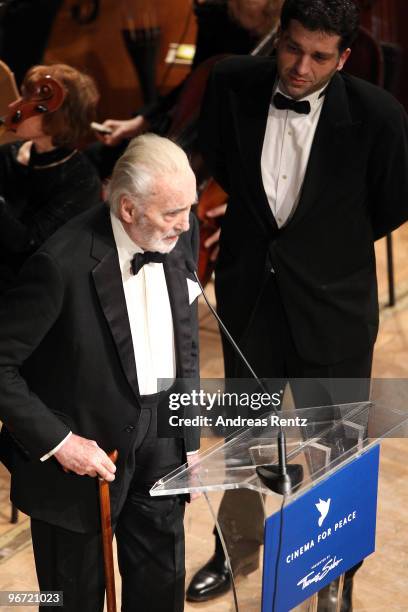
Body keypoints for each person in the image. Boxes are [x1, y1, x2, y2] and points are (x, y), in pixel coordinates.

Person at [188, 0, 408, 609]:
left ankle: (334, 573)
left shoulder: (379, 116)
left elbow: (390, 206)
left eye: (318, 56)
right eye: (292, 48)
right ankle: (238, 546)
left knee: (334, 443)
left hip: (333, 306)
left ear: (342, 57)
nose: (300, 67)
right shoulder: (232, 83)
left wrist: (320, 249)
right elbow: (220, 163)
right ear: (278, 37)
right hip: (250, 296)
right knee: (244, 433)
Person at [0, 133, 200, 612]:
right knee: (71, 599)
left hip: (163, 440)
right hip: (83, 459)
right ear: (127, 208)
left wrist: (187, 437)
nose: (185, 224)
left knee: (161, 588)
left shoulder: (177, 232)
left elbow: (186, 335)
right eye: (171, 213)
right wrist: (61, 442)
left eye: (187, 209)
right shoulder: (58, 263)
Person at [86, 0, 281, 180]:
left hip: (243, 144)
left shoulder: (291, 25)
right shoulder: (215, 14)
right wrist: (140, 121)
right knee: (97, 158)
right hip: (192, 131)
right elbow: (195, 82)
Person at [0, 63, 101, 291]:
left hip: (25, 291)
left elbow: (27, 245)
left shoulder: (81, 181)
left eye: (28, 100)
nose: (14, 106)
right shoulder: (8, 154)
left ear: (59, 117)